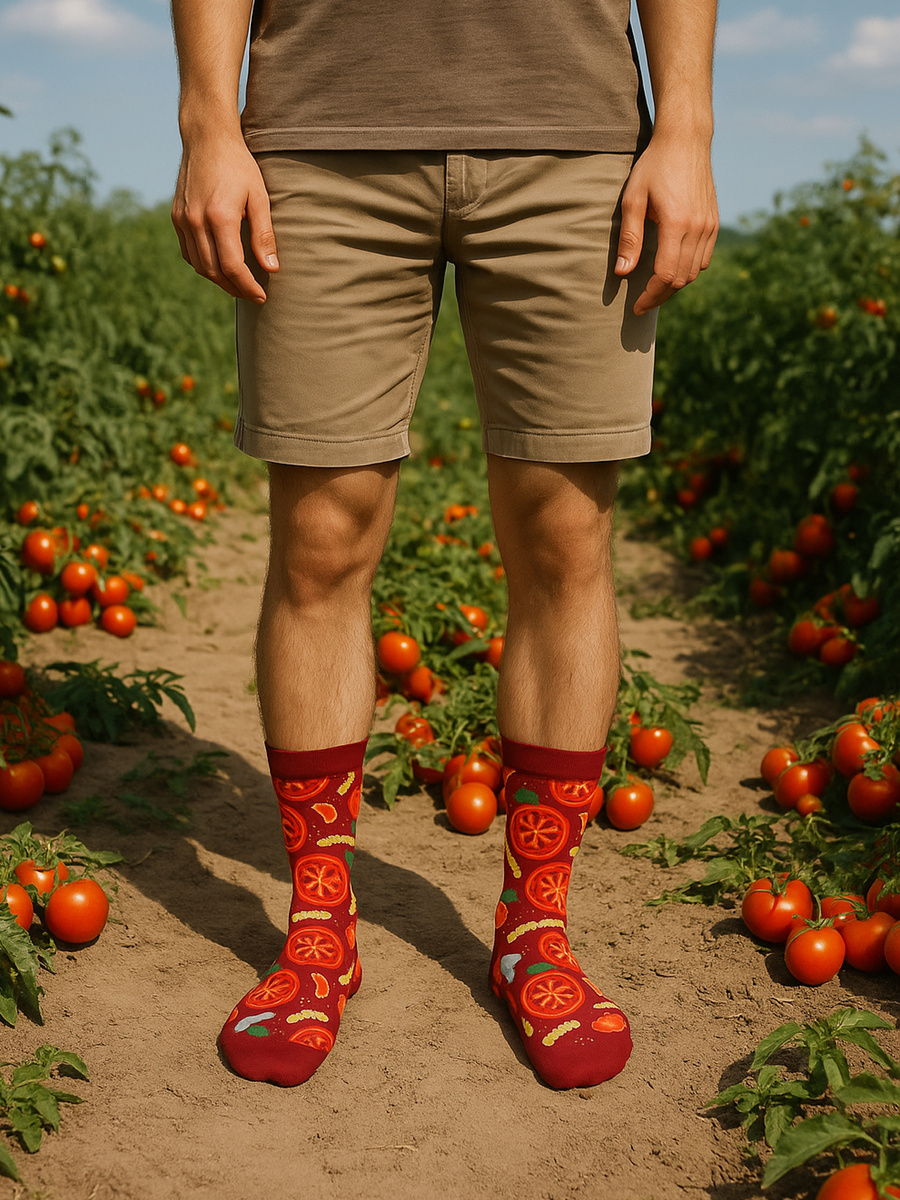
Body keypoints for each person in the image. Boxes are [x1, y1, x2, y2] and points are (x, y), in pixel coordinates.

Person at [170, 0, 718, 1090]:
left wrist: (687, 130)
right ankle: (320, 925)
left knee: (567, 539)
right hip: (321, 136)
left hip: (574, 136)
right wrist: (207, 124)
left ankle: (535, 929)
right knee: (320, 540)